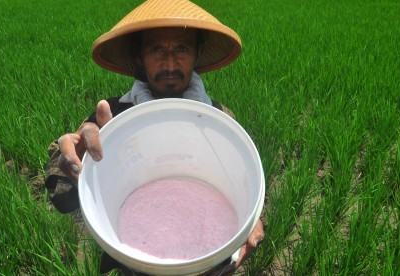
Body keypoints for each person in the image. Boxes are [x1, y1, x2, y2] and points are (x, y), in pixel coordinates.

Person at [44, 0, 266, 275]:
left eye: (182, 48)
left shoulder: (218, 119)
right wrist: (71, 163)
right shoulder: (112, 120)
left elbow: (246, 180)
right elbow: (63, 199)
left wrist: (254, 216)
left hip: (211, 265)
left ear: (197, 54)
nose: (170, 63)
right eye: (157, 49)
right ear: (138, 58)